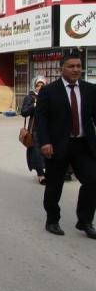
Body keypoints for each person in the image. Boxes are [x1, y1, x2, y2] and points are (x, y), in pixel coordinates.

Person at [34, 53, 96, 238]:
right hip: (58, 145)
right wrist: (44, 142)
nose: (76, 69)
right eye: (71, 66)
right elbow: (41, 119)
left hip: (84, 145)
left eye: (78, 66)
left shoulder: (90, 89)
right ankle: (52, 220)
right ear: (62, 68)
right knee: (54, 184)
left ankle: (85, 221)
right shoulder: (49, 91)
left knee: (93, 181)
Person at [21, 78, 47, 185]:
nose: (40, 87)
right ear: (35, 86)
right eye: (38, 85)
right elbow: (24, 112)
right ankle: (40, 174)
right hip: (35, 129)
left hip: (48, 128)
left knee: (48, 150)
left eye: (42, 85)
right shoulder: (30, 97)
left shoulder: (48, 96)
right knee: (36, 152)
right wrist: (35, 105)